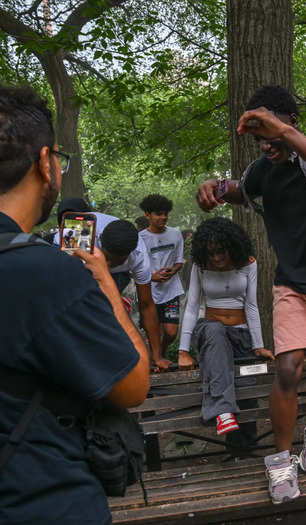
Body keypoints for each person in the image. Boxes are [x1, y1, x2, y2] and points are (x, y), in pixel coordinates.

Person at [196, 85, 306, 504]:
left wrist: (284, 134)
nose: (265, 143)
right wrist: (214, 188)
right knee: (288, 368)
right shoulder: (261, 170)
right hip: (292, 285)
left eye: (270, 132)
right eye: (258, 137)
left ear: (292, 123)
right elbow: (240, 189)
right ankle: (281, 461)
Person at [0, 84, 149, 524]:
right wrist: (105, 284)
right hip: (38, 497)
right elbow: (132, 384)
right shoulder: (41, 272)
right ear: (46, 164)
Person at [179, 218, 273, 439]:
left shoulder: (248, 264)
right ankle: (222, 411)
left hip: (240, 334)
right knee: (216, 331)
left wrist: (258, 344)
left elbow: (251, 305)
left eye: (221, 251)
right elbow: (192, 307)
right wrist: (183, 350)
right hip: (210, 331)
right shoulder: (200, 267)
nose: (216, 258)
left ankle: (243, 451)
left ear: (233, 246)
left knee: (245, 395)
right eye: (211, 253)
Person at [54, 201, 170, 371]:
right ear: (99, 241)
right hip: (74, 260)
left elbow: (146, 305)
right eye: (107, 257)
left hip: (117, 276)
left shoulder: (139, 256)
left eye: (115, 261)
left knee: (107, 312)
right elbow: (66, 284)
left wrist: (157, 356)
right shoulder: (79, 233)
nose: (108, 264)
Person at [139, 194, 185, 364]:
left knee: (171, 332)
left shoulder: (175, 234)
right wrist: (152, 277)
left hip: (171, 291)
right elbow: (133, 268)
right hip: (148, 292)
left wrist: (172, 271)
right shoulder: (140, 238)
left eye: (166, 213)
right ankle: (154, 360)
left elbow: (179, 262)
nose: (163, 217)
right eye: (159, 214)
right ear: (147, 215)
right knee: (153, 331)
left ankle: (161, 351)